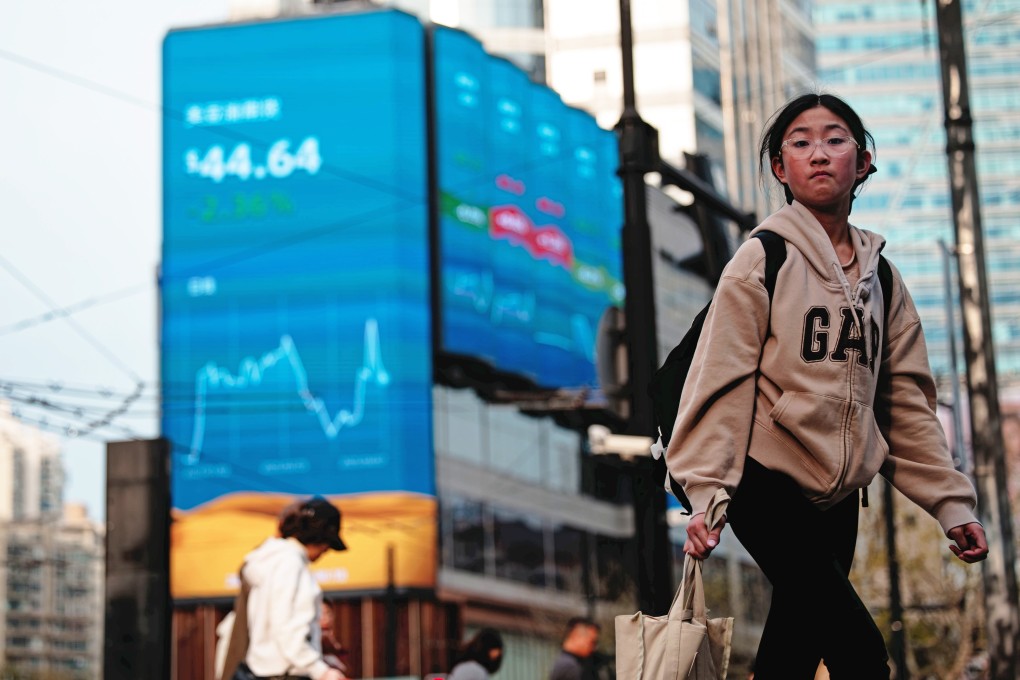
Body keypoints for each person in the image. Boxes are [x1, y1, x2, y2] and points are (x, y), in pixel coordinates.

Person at [665, 92, 988, 680]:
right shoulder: (762, 259)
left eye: (835, 140)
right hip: (766, 485)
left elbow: (904, 405)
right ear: (779, 169)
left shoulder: (884, 281)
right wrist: (708, 492)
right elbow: (721, 381)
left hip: (839, 498)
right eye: (801, 142)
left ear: (862, 163)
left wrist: (951, 502)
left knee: (789, 658)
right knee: (860, 654)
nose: (819, 154)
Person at [231, 496, 349, 680]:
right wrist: (321, 670)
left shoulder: (269, 560)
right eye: (328, 544)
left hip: (261, 671)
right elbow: (286, 627)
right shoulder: (291, 564)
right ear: (321, 538)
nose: (326, 550)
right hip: (285, 673)